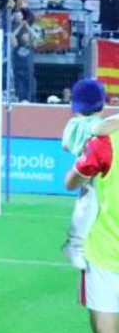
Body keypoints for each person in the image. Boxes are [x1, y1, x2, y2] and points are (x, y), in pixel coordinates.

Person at [64, 113, 119, 333]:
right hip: (106, 253)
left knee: (106, 332)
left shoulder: (105, 141)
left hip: (105, 252)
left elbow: (71, 180)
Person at [61, 80, 108, 271]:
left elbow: (65, 145)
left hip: (90, 172)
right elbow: (99, 129)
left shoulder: (73, 124)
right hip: (92, 171)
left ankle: (78, 244)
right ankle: (75, 245)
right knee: (90, 205)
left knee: (89, 205)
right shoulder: (91, 124)